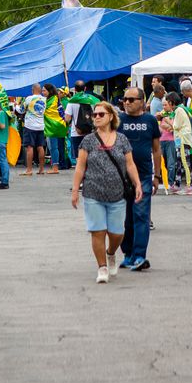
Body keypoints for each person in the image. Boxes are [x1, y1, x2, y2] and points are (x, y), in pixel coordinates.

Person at [71, 101, 143, 284]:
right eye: (94, 115)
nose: (96, 117)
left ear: (111, 117)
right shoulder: (88, 140)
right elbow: (80, 166)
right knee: (98, 231)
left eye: (101, 114)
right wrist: (75, 190)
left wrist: (137, 184)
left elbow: (129, 164)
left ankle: (111, 253)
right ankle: (102, 267)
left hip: (117, 193)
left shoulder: (122, 139)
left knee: (117, 232)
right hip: (93, 192)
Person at [117, 86, 161, 271]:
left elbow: (156, 149)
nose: (127, 102)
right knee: (125, 218)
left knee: (141, 215)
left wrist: (157, 176)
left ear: (142, 102)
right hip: (121, 176)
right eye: (125, 99)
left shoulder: (150, 120)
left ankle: (140, 255)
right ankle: (128, 254)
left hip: (142, 176)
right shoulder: (118, 120)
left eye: (131, 99)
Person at [164, 91, 192, 195]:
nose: (167, 104)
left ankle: (189, 185)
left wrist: (166, 120)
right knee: (179, 162)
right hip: (180, 139)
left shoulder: (179, 110)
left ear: (172, 102)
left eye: (168, 102)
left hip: (182, 139)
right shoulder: (180, 109)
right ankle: (177, 184)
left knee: (185, 163)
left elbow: (175, 126)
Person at [63, 81, 98, 174]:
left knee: (79, 158)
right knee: (90, 156)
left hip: (76, 133)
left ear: (75, 89)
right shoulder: (92, 100)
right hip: (91, 132)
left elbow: (67, 118)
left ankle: (81, 180)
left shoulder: (72, 101)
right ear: (85, 88)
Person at [20, 83, 47, 175]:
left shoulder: (28, 98)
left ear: (32, 90)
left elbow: (21, 110)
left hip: (30, 126)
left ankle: (29, 170)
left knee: (29, 147)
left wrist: (16, 106)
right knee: (40, 146)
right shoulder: (45, 99)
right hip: (41, 126)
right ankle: (41, 169)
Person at [43, 83, 68, 173]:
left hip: (53, 125)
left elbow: (48, 111)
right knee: (54, 147)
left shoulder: (53, 99)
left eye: (44, 90)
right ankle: (56, 166)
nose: (43, 92)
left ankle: (55, 168)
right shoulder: (54, 98)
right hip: (56, 125)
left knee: (53, 147)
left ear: (49, 91)